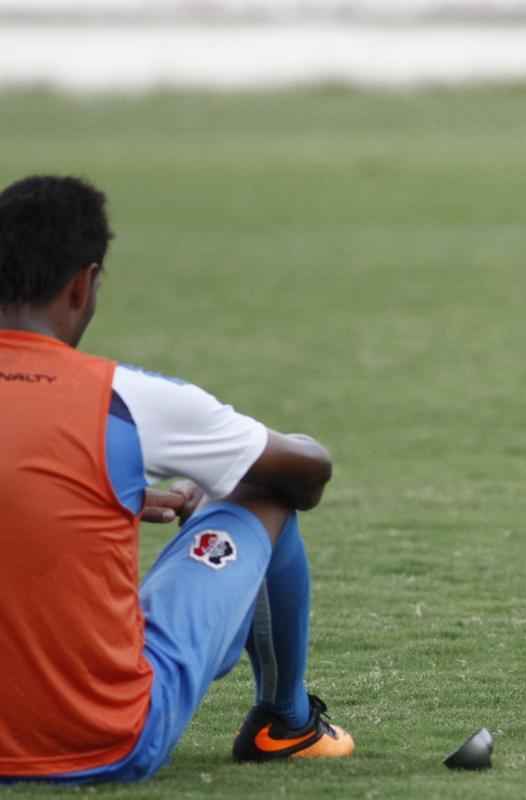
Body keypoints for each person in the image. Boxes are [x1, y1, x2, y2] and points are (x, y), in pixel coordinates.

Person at [0, 175, 354, 782]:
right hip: (105, 741)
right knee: (264, 490)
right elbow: (307, 474)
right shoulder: (121, 399)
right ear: (83, 285)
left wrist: (84, 493)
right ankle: (285, 724)